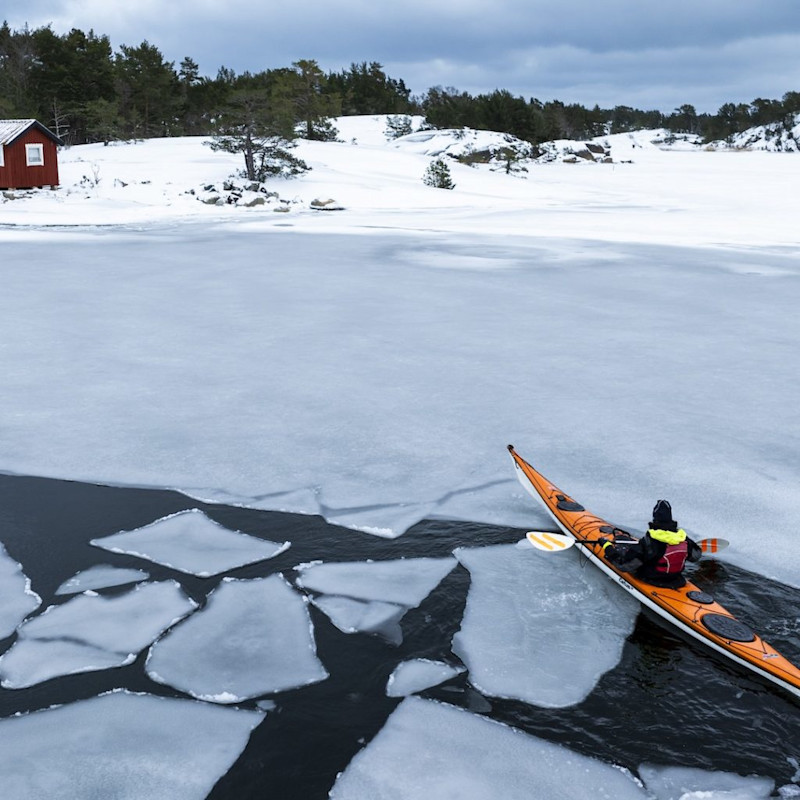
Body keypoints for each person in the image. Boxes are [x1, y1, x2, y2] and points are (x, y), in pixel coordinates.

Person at [600, 500, 702, 588]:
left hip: (651, 580)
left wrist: (607, 547)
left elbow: (623, 566)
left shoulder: (649, 542)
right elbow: (696, 556)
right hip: (676, 580)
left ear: (655, 519)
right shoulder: (683, 539)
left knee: (627, 554)